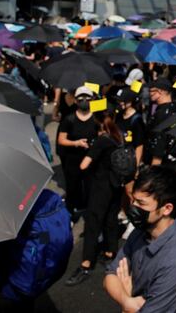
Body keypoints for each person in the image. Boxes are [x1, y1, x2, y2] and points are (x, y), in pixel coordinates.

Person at [104, 166, 176, 313]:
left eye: (141, 203)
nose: (133, 207)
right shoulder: (141, 230)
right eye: (133, 200)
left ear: (167, 209)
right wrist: (126, 301)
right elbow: (110, 276)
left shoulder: (175, 263)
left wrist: (125, 305)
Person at [65, 113, 124, 286]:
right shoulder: (118, 138)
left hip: (100, 188)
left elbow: (84, 165)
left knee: (92, 225)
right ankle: (109, 253)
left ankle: (86, 264)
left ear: (98, 127)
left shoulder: (101, 141)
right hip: (116, 186)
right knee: (110, 220)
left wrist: (90, 151)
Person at [56, 86, 98, 221]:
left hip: (91, 161)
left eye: (87, 97)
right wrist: (76, 143)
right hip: (72, 160)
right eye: (81, 98)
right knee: (72, 188)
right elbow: (61, 140)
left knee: (91, 189)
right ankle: (70, 215)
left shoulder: (97, 119)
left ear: (92, 100)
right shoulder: (69, 119)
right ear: (75, 101)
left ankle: (91, 215)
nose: (84, 100)